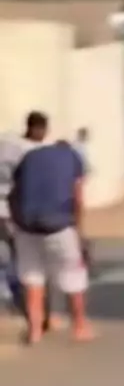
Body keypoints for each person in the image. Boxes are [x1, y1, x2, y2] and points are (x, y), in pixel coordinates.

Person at [9, 136, 93, 344]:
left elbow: (13, 193)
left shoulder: (30, 156)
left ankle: (35, 331)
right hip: (60, 226)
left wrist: (16, 221)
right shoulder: (74, 157)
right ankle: (80, 327)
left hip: (26, 227)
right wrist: (79, 231)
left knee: (33, 277)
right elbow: (78, 196)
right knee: (73, 275)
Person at [0, 112, 49, 320]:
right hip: (15, 209)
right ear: (38, 129)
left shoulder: (6, 142)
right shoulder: (32, 152)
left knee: (4, 256)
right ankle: (17, 301)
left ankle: (6, 297)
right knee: (21, 257)